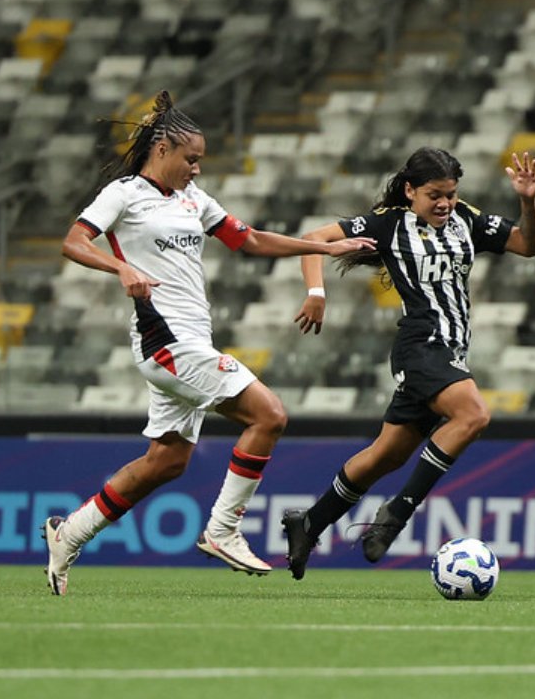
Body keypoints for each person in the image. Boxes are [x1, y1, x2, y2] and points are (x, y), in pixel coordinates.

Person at [44, 91, 376, 595]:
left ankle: (69, 533)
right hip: (165, 342)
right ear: (162, 150)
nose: (197, 169)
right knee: (269, 415)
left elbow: (252, 240)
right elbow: (73, 242)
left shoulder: (194, 200)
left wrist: (322, 247)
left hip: (192, 341)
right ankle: (223, 530)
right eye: (191, 159)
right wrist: (121, 268)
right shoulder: (124, 194)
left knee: (166, 461)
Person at [280, 146, 535, 579]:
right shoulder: (388, 223)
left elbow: (527, 245)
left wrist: (527, 202)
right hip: (421, 345)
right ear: (410, 191)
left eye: (450, 194)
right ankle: (398, 513)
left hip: (450, 351)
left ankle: (308, 524)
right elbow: (314, 239)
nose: (445, 204)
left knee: (386, 456)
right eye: (434, 195)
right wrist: (316, 293)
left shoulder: (466, 220)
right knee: (473, 415)